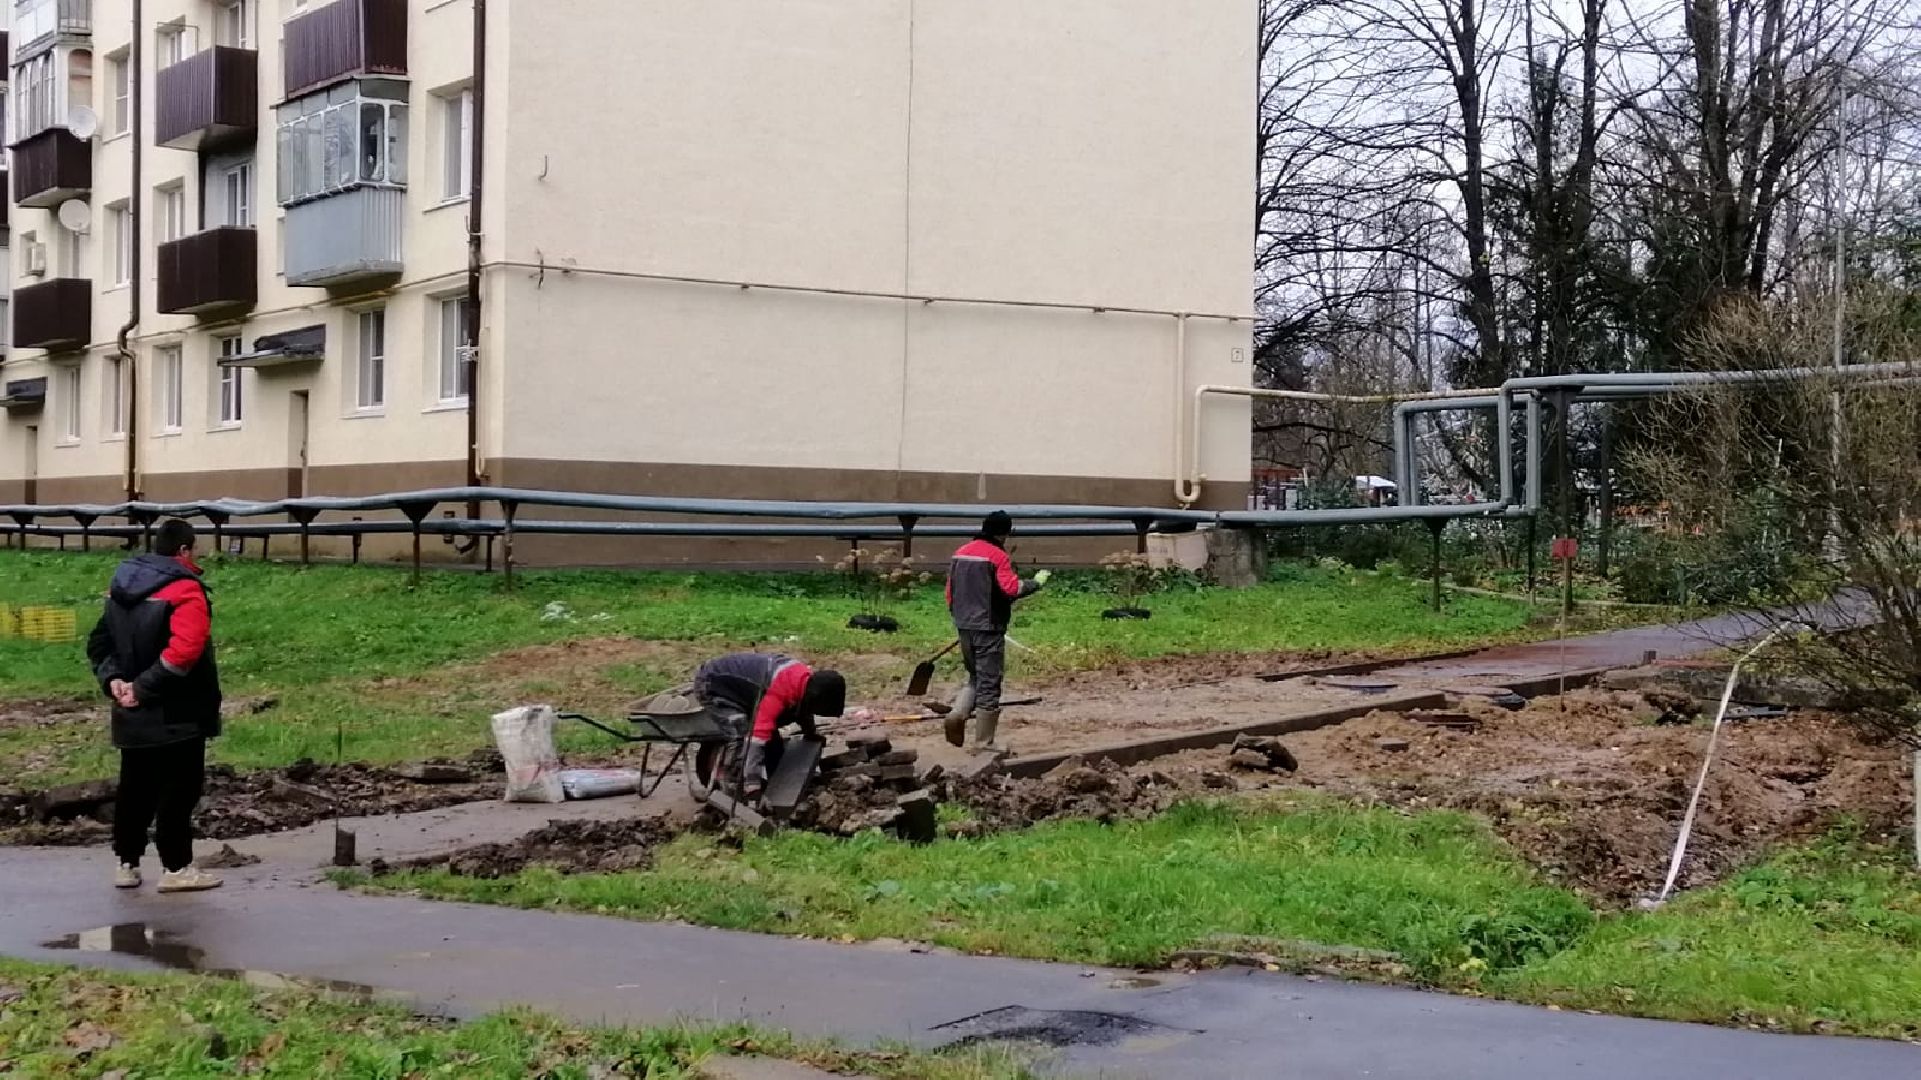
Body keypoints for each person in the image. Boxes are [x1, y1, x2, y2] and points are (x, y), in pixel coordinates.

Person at [84, 518, 224, 893]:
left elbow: (100, 643)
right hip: (178, 711)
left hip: (130, 711)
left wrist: (115, 683)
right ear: (184, 550)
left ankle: (126, 863)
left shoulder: (122, 587)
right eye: (194, 548)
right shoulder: (184, 590)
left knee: (134, 787)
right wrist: (143, 688)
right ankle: (177, 868)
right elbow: (184, 652)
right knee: (180, 790)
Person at [944, 511, 1048, 752]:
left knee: (974, 677)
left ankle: (957, 713)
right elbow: (1010, 588)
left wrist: (961, 619)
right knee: (990, 682)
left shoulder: (961, 552)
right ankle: (984, 743)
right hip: (989, 628)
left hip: (964, 625)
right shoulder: (997, 555)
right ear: (1005, 533)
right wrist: (1036, 583)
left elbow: (950, 592)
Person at [691, 652, 846, 797]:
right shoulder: (778, 693)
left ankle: (776, 787)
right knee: (741, 731)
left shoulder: (803, 681)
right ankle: (733, 783)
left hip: (746, 688)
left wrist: (810, 733)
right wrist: (753, 783)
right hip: (712, 685)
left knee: (773, 737)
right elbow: (756, 738)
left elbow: (804, 709)